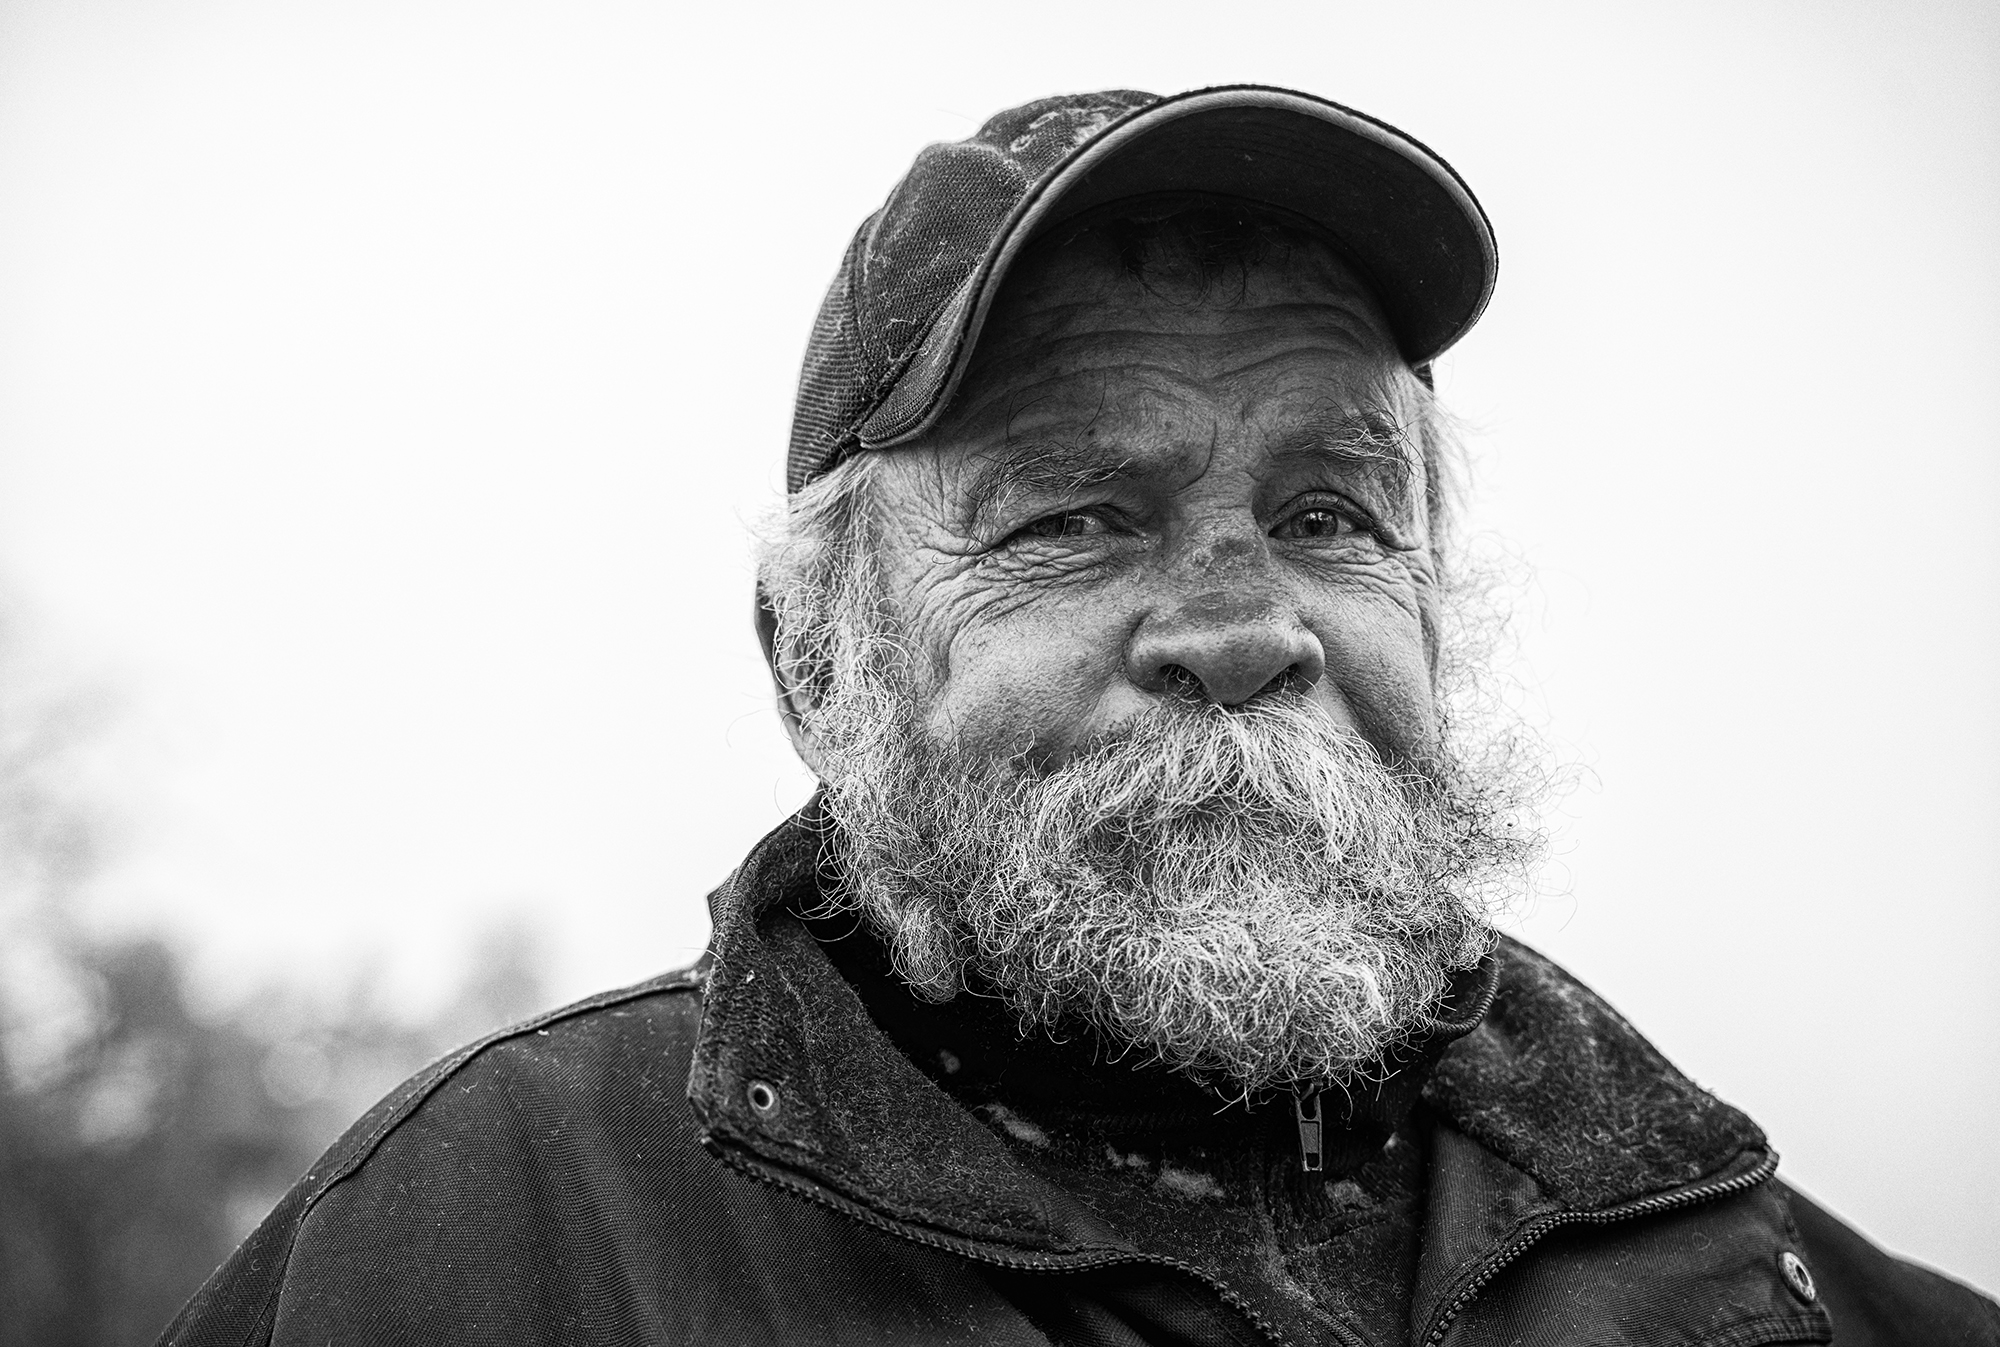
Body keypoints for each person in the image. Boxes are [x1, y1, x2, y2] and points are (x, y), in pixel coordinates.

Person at [158, 85, 1997, 1347]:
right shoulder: (484, 1246)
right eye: (1073, 519)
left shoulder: (1787, 1295)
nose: (1240, 627)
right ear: (817, 657)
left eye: (1331, 513)